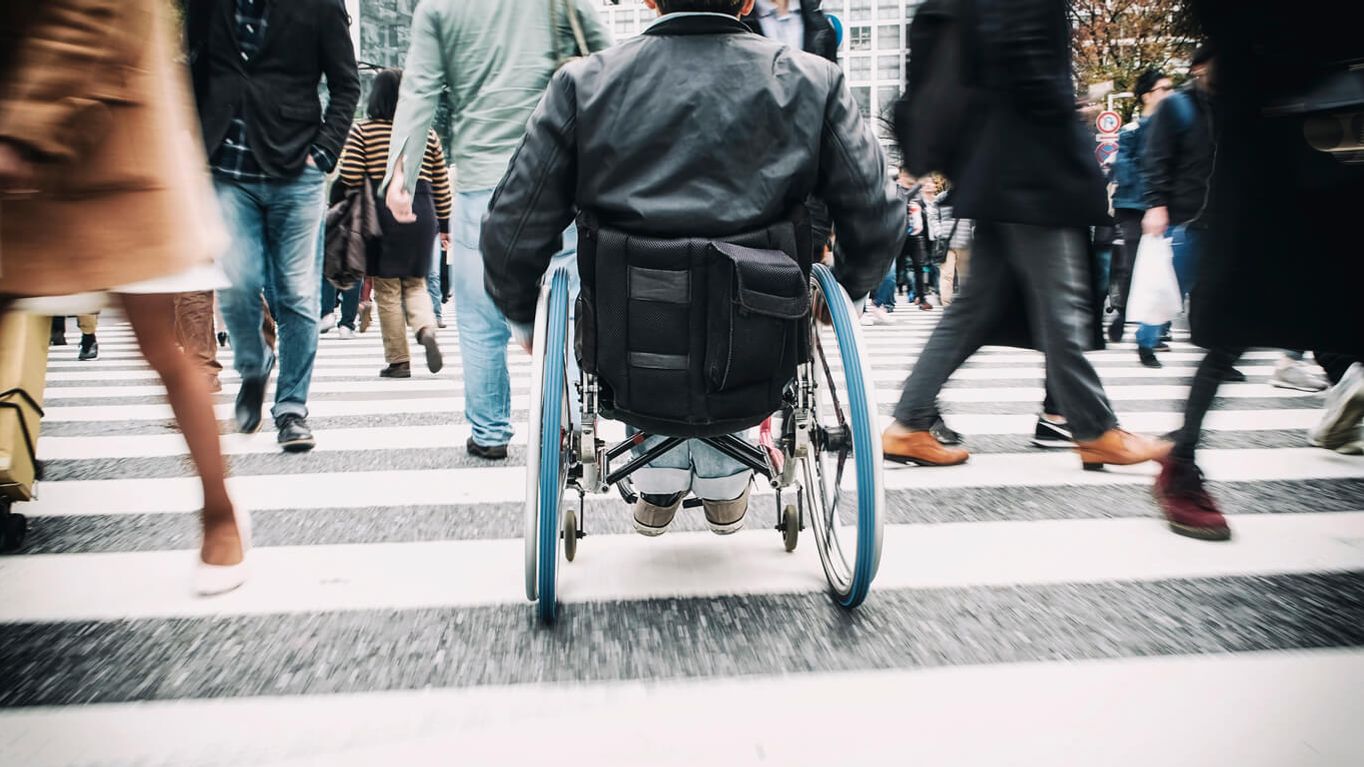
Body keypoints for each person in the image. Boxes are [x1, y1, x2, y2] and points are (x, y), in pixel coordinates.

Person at [480, 0, 902, 536]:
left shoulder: (583, 84)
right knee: (745, 304)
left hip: (630, 347)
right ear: (747, 2)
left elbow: (511, 228)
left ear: (651, 1)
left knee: (647, 301)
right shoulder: (812, 80)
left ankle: (659, 474)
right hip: (760, 341)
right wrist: (852, 291)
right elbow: (877, 212)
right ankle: (726, 476)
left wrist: (522, 317)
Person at [0, 0, 246, 594]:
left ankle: (221, 514)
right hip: (25, 147)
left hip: (109, 150)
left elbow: (88, 20)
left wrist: (20, 132)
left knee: (162, 349)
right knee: (166, 349)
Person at [883, 0, 1169, 471]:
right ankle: (1095, 429)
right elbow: (1025, 58)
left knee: (974, 309)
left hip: (999, 166)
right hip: (1033, 164)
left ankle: (910, 422)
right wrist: (1068, 133)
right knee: (1063, 307)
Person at [1153, 0, 1364, 539]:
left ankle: (1344, 401)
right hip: (1271, 139)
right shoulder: (1191, 99)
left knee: (1339, 306)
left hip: (1339, 130)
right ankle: (1181, 461)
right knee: (1237, 323)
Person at [381, 0, 610, 461]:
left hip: (481, 185)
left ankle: (489, 432)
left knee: (480, 318)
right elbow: (607, 62)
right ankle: (572, 422)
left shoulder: (438, 9)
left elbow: (420, 91)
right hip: (558, 174)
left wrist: (399, 176)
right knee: (567, 306)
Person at [187, 0, 360, 453]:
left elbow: (346, 84)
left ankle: (291, 410)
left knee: (298, 294)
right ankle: (254, 364)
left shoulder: (322, 5)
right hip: (225, 166)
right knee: (237, 278)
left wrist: (323, 153)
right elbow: (194, 69)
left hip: (296, 167)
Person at [335, 69, 451, 380]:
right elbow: (441, 182)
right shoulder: (426, 133)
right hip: (421, 208)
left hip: (381, 209)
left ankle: (399, 360)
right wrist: (446, 224)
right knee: (416, 283)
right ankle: (425, 328)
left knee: (386, 289)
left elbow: (350, 176)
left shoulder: (363, 132)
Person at [1108, 68, 1173, 344]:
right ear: (1147, 96)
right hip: (1135, 207)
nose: (1170, 95)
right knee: (1135, 265)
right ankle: (1123, 315)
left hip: (1166, 207)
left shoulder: (1172, 130)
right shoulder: (1132, 131)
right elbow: (1124, 168)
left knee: (1165, 266)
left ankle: (1156, 325)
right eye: (1163, 89)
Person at [934, 185, 973, 308]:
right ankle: (946, 305)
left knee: (965, 276)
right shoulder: (942, 197)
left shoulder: (969, 197)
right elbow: (934, 217)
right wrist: (939, 232)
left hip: (965, 241)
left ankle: (965, 304)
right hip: (947, 243)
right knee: (947, 275)